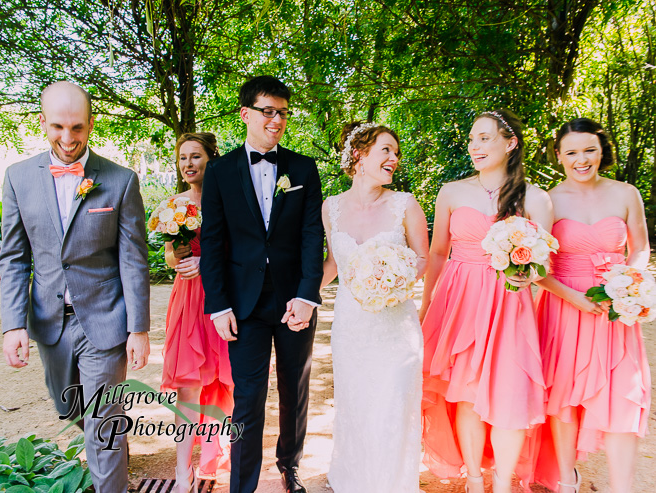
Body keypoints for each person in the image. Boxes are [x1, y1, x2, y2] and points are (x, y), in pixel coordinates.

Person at [0, 81, 150, 493]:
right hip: (49, 322)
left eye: (78, 128)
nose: (68, 139)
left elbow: (133, 258)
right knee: (71, 409)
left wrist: (138, 328)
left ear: (91, 124)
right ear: (43, 123)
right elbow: (13, 257)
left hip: (104, 320)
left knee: (102, 428)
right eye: (59, 127)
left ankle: (110, 457)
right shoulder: (17, 178)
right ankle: (113, 440)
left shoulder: (120, 181)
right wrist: (13, 325)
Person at [199, 76, 324, 493]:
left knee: (295, 390)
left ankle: (289, 467)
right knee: (247, 398)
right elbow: (213, 241)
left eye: (283, 112)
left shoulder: (303, 168)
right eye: (268, 110)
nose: (277, 119)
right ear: (246, 113)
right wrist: (218, 305)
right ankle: (242, 485)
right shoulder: (219, 172)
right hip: (242, 304)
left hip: (294, 300)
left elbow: (311, 236)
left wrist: (307, 295)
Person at [419, 110, 552, 493]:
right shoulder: (452, 191)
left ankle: (504, 481)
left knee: (509, 391)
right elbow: (438, 253)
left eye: (484, 138)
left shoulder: (535, 198)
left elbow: (543, 266)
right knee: (466, 392)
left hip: (509, 303)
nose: (474, 146)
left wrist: (525, 275)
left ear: (510, 144)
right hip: (459, 301)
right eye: (472, 138)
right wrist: (428, 305)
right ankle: (474, 479)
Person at [532, 118, 651, 493]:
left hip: (616, 311)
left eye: (589, 150)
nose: (580, 159)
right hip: (565, 307)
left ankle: (622, 486)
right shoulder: (549, 200)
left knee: (621, 395)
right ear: (559, 156)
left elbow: (641, 248)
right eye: (571, 152)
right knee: (564, 397)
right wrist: (573, 298)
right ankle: (566, 481)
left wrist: (628, 281)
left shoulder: (625, 193)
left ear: (602, 151)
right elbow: (535, 265)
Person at [319, 122, 429, 492]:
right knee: (357, 402)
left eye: (396, 152)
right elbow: (334, 263)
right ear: (359, 155)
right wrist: (302, 296)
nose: (394, 158)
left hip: (396, 325)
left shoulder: (405, 204)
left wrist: (394, 278)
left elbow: (423, 258)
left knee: (394, 402)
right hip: (351, 326)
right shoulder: (330, 208)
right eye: (386, 150)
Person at [161, 133, 234, 493]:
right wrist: (179, 250)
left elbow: (240, 254)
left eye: (196, 157)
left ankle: (223, 460)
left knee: (226, 383)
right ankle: (181, 469)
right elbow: (169, 257)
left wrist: (207, 262)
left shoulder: (229, 201)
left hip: (221, 297)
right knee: (187, 388)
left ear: (211, 159)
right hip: (187, 300)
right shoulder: (174, 204)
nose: (188, 164)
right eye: (182, 159)